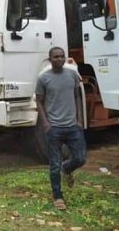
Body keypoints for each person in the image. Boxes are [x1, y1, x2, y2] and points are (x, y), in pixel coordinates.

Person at [35, 46, 86, 210]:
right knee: (54, 165)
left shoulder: (72, 74)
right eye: (55, 57)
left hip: (73, 127)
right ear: (50, 59)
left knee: (80, 158)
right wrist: (46, 124)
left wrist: (79, 120)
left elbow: (77, 95)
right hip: (54, 128)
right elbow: (39, 101)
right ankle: (58, 196)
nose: (59, 59)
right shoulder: (43, 78)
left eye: (61, 56)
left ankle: (67, 168)